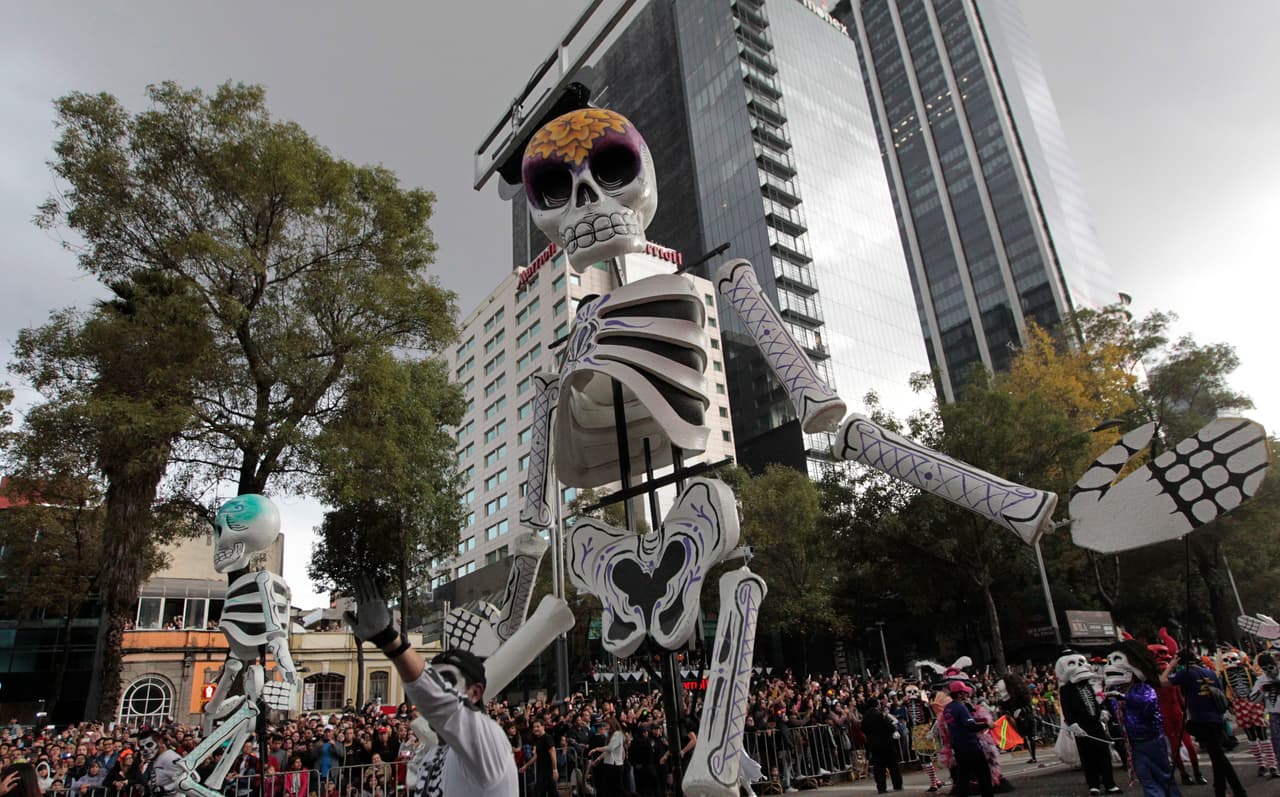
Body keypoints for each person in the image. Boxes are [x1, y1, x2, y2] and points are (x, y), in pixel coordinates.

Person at [345, 578, 516, 796]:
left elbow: (437, 700)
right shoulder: (433, 754)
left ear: (475, 693)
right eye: (432, 679)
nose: (433, 689)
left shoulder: (488, 743)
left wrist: (389, 640)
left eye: (445, 682)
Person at [1163, 650, 1247, 797]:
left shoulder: (1185, 673)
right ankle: (1219, 790)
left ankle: (1239, 790)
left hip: (1202, 720)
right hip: (1217, 718)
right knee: (1216, 756)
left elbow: (1162, 682)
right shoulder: (1209, 672)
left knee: (1219, 758)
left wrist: (1170, 666)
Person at [943, 681, 992, 797]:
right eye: (964, 692)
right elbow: (970, 726)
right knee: (983, 774)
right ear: (959, 694)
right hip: (971, 746)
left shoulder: (947, 708)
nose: (966, 694)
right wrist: (987, 725)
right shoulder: (961, 707)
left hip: (958, 746)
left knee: (963, 776)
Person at [860, 699, 903, 793]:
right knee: (893, 765)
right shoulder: (880, 715)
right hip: (886, 742)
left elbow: (863, 728)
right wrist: (893, 727)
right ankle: (897, 784)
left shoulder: (865, 717)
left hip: (873, 744)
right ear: (877, 705)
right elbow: (889, 727)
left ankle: (881, 787)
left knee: (878, 767)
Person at [588, 716, 625, 795]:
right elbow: (607, 751)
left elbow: (610, 748)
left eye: (607, 724)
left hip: (615, 765)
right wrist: (598, 759)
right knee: (609, 788)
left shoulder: (617, 734)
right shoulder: (611, 735)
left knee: (617, 788)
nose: (605, 727)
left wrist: (596, 749)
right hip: (609, 764)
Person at [520, 721, 556, 797]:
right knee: (541, 792)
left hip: (549, 771)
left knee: (552, 793)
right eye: (534, 727)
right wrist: (526, 765)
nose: (535, 729)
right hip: (541, 771)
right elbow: (536, 756)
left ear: (543, 727)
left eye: (538, 726)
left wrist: (555, 769)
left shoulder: (547, 738)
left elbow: (553, 752)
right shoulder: (537, 739)